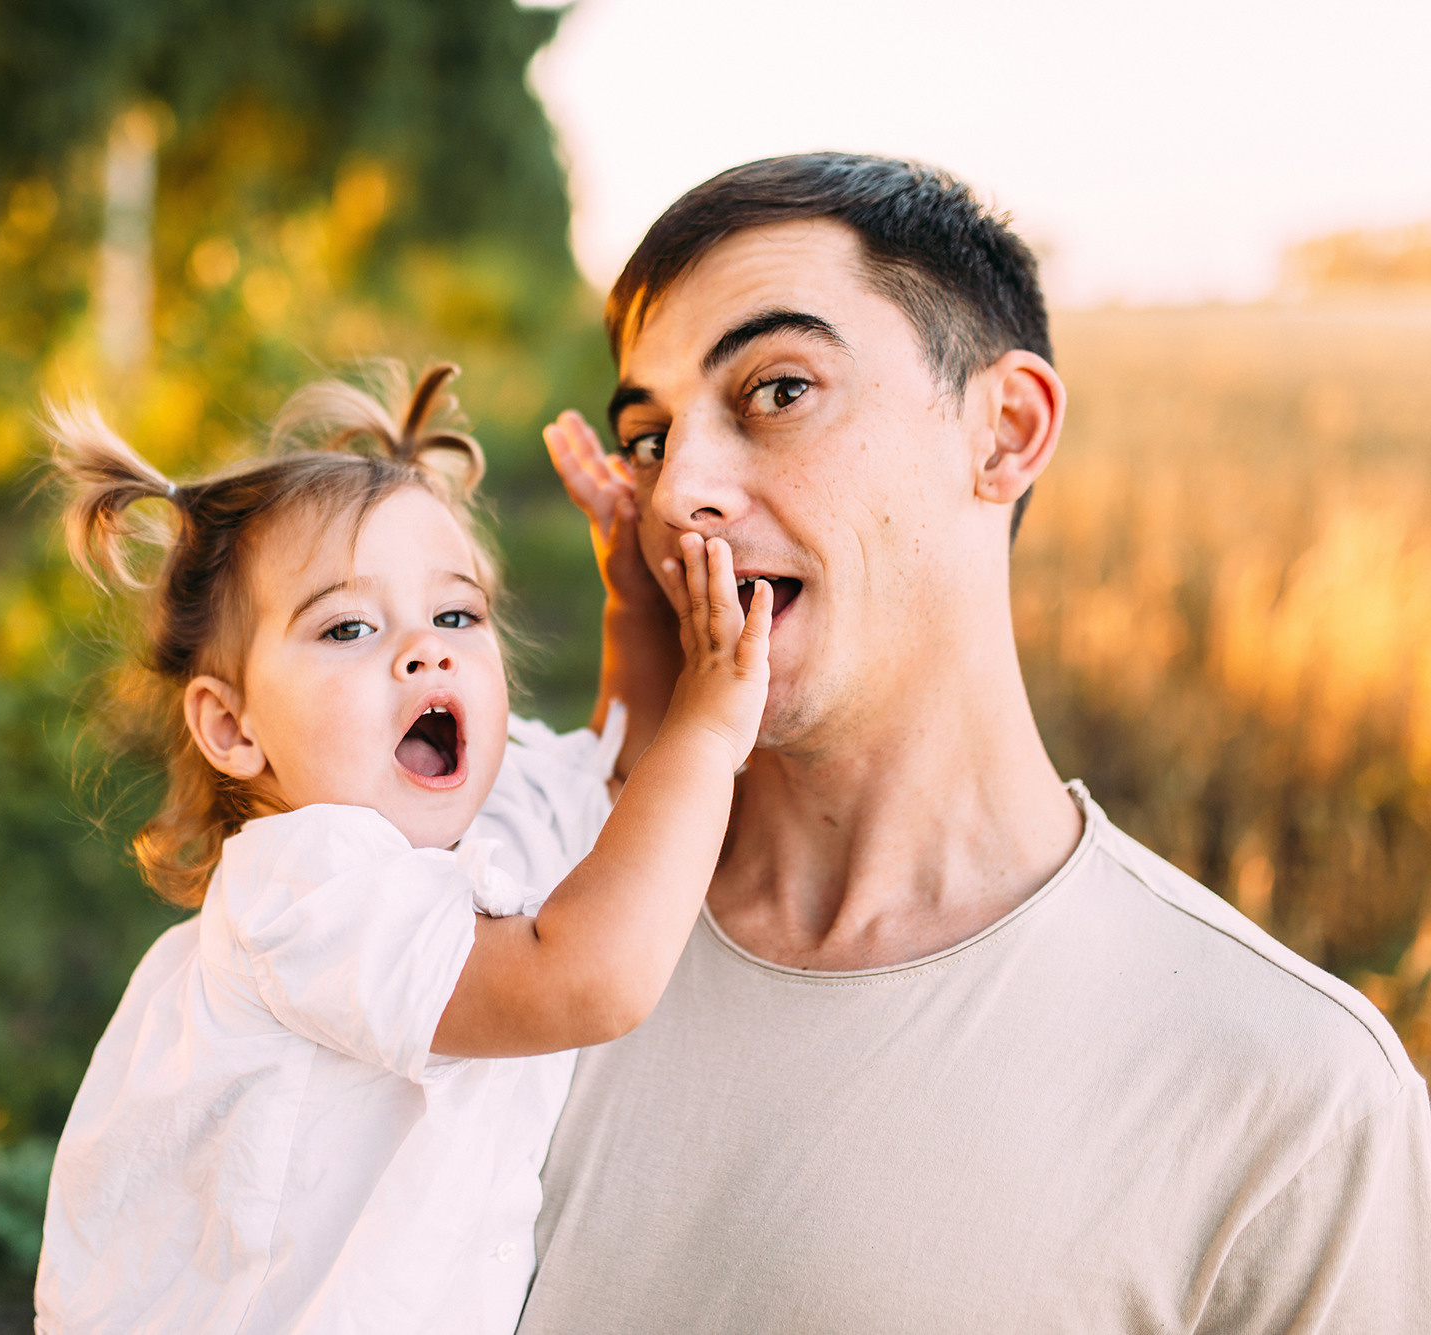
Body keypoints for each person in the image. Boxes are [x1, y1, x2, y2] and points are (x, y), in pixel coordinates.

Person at [518, 152, 1431, 1333]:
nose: (678, 487)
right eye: (644, 437)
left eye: (777, 390)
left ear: (1001, 431)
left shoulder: (1289, 1099)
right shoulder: (498, 903)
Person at [32, 363, 771, 1333]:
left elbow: (619, 785)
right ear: (232, 727)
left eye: (456, 615)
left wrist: (630, 602)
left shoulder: (489, 815)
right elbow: (590, 978)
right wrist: (711, 730)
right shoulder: (300, 891)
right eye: (346, 627)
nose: (424, 651)